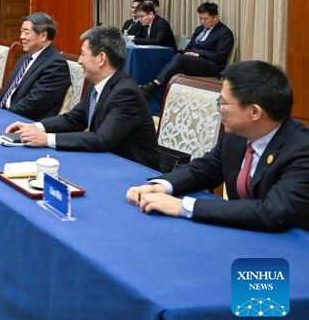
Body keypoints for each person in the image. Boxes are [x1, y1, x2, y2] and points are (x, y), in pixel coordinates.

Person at [126, 61, 309, 232]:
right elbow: (203, 170)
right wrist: (162, 185)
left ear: (254, 112)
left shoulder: (301, 150)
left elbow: (273, 211)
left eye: (223, 103)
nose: (218, 109)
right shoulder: (236, 136)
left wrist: (183, 206)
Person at [5, 25, 158, 169]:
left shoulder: (126, 93)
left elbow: (101, 139)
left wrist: (46, 139)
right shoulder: (97, 84)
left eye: (83, 54)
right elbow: (73, 119)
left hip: (134, 170)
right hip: (104, 161)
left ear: (101, 58)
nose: (79, 60)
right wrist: (36, 127)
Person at [139, 2, 235, 98]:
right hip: (193, 62)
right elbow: (189, 47)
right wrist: (188, 52)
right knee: (173, 65)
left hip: (212, 66)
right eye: (200, 18)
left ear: (216, 17)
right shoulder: (200, 29)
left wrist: (198, 54)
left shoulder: (224, 33)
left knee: (179, 59)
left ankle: (152, 86)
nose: (202, 21)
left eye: (205, 19)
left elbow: (220, 56)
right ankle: (160, 99)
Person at [0, 12, 71, 120]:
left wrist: (0, 116)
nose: (21, 37)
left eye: (26, 32)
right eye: (21, 32)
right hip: (6, 114)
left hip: (25, 123)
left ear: (43, 36)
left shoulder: (56, 65)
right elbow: (5, 92)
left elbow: (32, 105)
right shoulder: (24, 58)